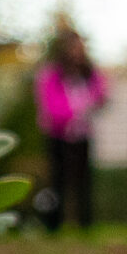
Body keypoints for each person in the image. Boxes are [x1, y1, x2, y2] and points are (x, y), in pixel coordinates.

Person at [32, 22, 109, 235]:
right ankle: (53, 225)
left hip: (82, 134)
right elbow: (50, 105)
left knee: (83, 180)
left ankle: (85, 224)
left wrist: (90, 105)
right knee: (57, 179)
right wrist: (71, 115)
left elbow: (101, 93)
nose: (77, 51)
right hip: (58, 134)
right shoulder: (52, 76)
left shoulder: (89, 74)